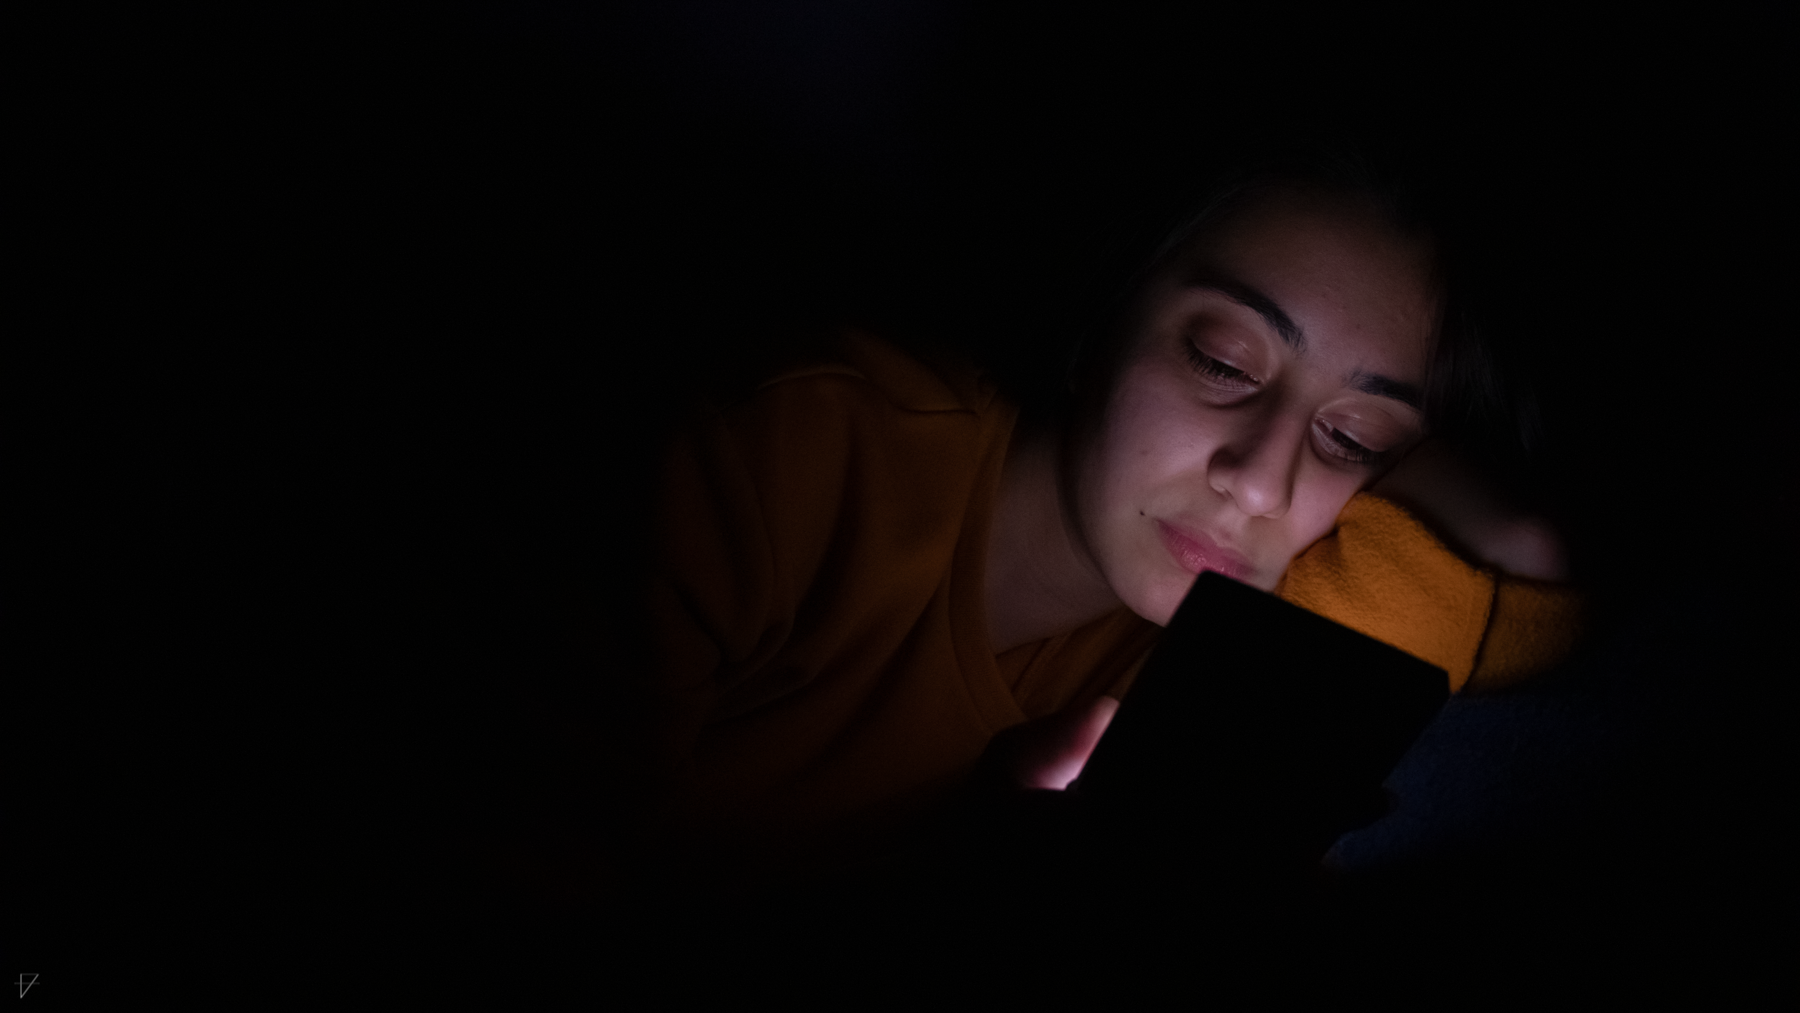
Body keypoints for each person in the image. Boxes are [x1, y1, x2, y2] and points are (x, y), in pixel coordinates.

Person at [520, 140, 1586, 906]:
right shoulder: (798, 450)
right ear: (1112, 300)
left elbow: (1530, 561)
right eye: (1221, 362)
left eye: (1351, 440)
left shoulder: (1203, 668)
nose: (1260, 483)